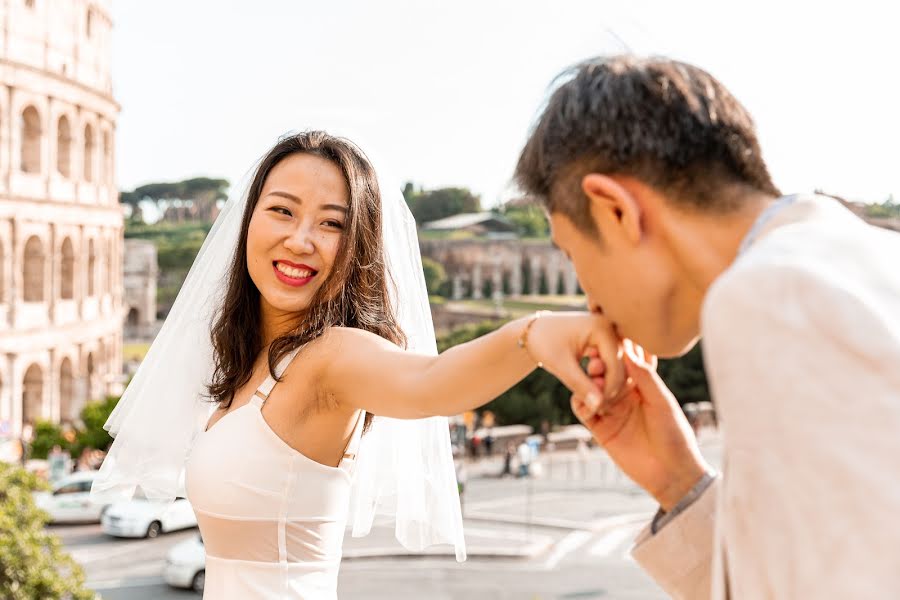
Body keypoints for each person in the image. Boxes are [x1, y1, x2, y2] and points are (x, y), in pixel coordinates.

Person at [93, 131, 623, 599]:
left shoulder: (331, 357)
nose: (301, 240)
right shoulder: (248, 363)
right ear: (245, 220)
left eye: (331, 224)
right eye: (282, 210)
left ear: (356, 248)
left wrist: (530, 335)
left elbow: (430, 381)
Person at [515, 55, 900, 599]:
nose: (590, 302)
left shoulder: (771, 294)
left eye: (571, 254)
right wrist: (680, 485)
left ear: (614, 210)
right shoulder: (850, 263)